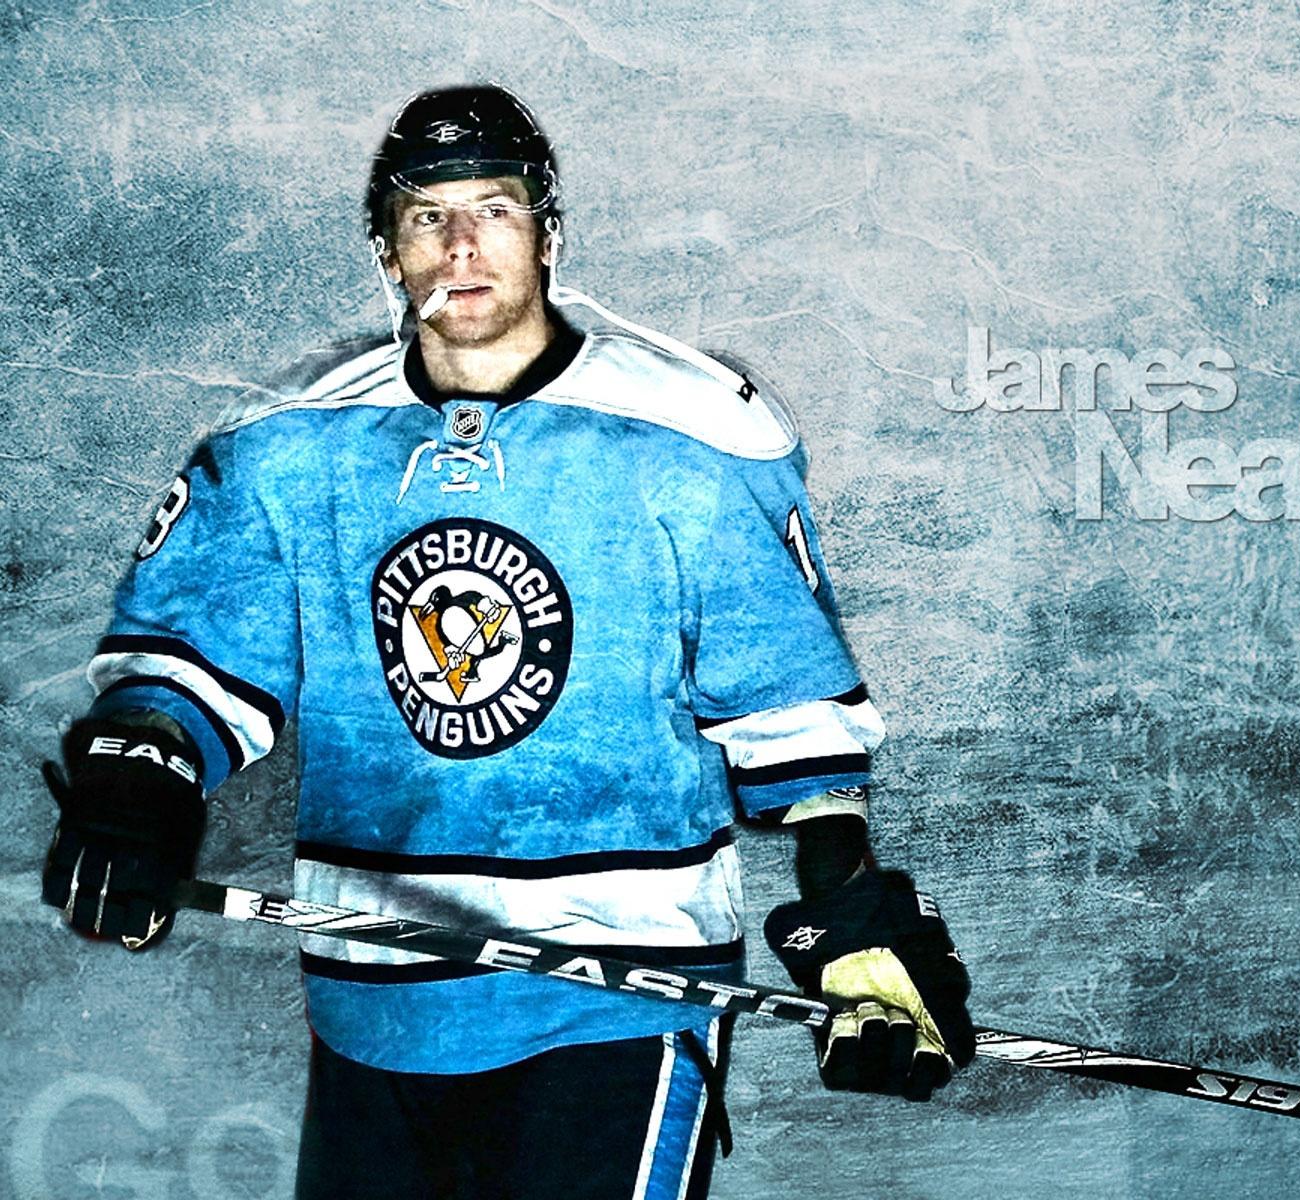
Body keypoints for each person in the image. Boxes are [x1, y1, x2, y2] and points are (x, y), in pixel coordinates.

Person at [39, 83, 976, 1199]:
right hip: (374, 991)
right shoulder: (288, 440)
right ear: (385, 250)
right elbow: (185, 664)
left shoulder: (691, 432)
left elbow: (787, 713)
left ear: (548, 233)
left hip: (622, 993)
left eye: (495, 208)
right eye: (427, 217)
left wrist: (847, 908)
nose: (462, 246)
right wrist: (139, 784)